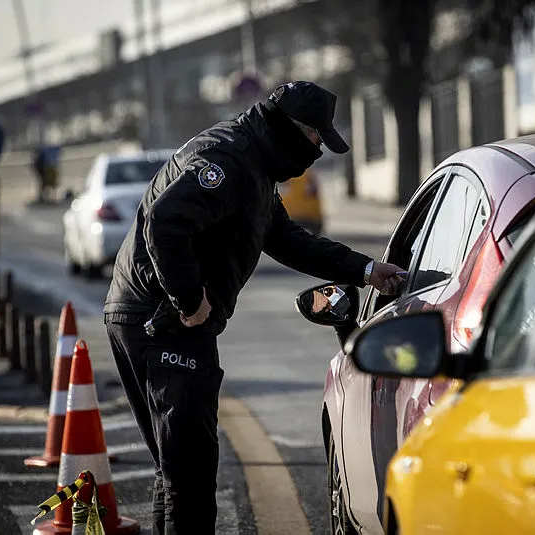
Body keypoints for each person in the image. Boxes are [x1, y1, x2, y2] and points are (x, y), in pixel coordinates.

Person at [103, 80, 405, 534]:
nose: (318, 150)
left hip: (148, 318)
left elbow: (285, 239)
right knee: (190, 476)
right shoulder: (230, 160)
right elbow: (165, 222)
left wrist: (365, 269)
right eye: (316, 139)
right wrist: (189, 301)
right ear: (293, 128)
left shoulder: (255, 167)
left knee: (177, 471)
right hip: (161, 323)